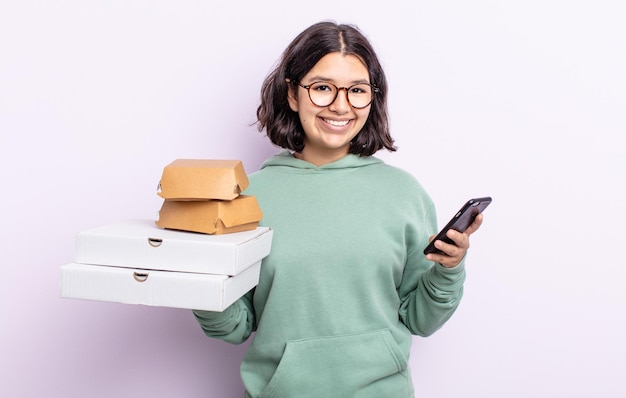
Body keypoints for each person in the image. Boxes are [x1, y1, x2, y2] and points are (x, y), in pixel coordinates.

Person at [193, 21, 484, 398]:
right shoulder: (246, 198)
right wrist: (199, 279)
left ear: (372, 98)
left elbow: (420, 319)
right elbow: (233, 326)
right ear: (293, 95)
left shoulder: (405, 193)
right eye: (322, 87)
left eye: (357, 90)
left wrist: (449, 269)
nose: (340, 105)